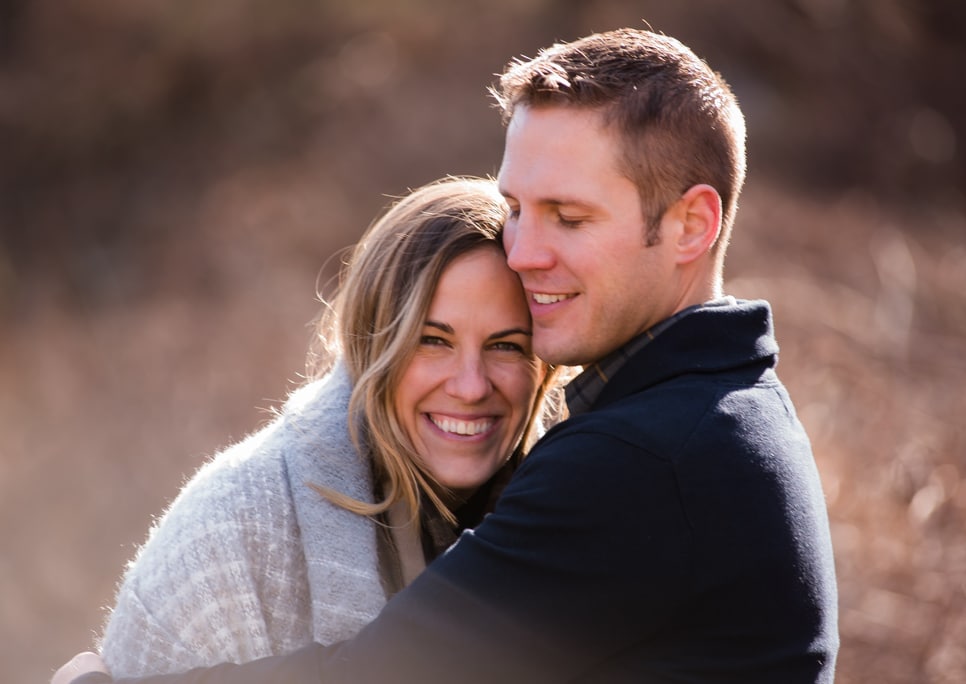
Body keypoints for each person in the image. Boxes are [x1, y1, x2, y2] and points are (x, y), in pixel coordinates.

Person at [59, 27, 839, 684]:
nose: (523, 252)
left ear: (691, 225)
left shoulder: (645, 460)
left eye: (568, 216)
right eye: (516, 209)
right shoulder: (728, 410)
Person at [51, 176, 563, 682]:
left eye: (506, 345)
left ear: (544, 364)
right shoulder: (232, 527)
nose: (471, 386)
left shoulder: (568, 524)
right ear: (370, 346)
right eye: (432, 340)